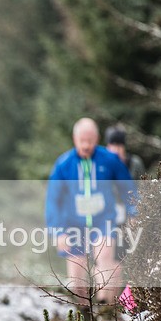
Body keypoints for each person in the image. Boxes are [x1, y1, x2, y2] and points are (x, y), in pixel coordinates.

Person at [45, 118, 136, 307]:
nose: (86, 145)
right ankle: (85, 316)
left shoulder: (109, 160)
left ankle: (105, 309)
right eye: (82, 140)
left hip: (104, 220)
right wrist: (58, 231)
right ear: (74, 138)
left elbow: (127, 188)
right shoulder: (64, 164)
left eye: (90, 140)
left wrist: (133, 211)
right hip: (73, 224)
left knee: (104, 258)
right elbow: (53, 200)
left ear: (97, 139)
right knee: (76, 277)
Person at [105, 125, 145, 261]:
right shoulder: (103, 166)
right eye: (112, 145)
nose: (116, 149)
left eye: (119, 145)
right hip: (109, 218)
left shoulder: (135, 164)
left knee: (130, 255)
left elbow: (141, 189)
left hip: (131, 217)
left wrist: (135, 212)